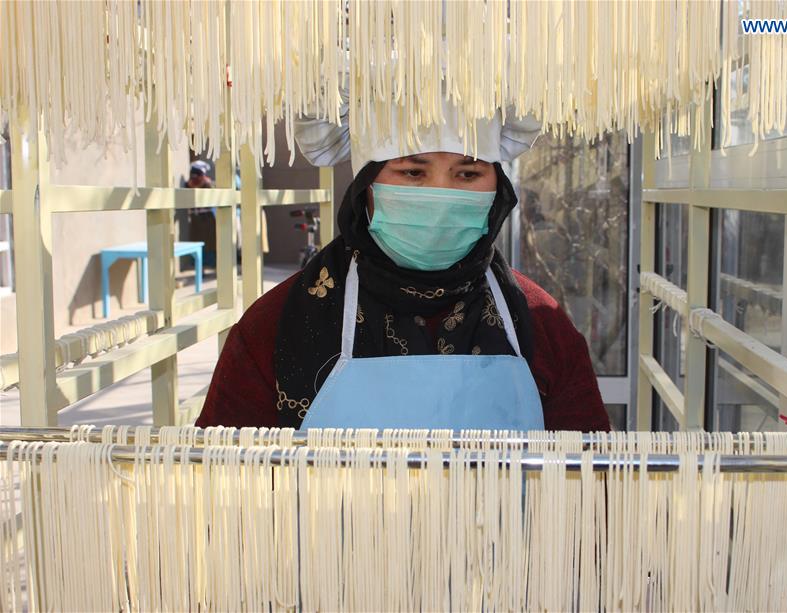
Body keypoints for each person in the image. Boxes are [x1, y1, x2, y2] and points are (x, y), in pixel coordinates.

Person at [196, 100, 610, 432]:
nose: (440, 195)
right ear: (366, 185)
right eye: (413, 171)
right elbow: (223, 497)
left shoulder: (541, 327)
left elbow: (594, 497)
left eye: (468, 173)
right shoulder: (273, 328)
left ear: (497, 187)